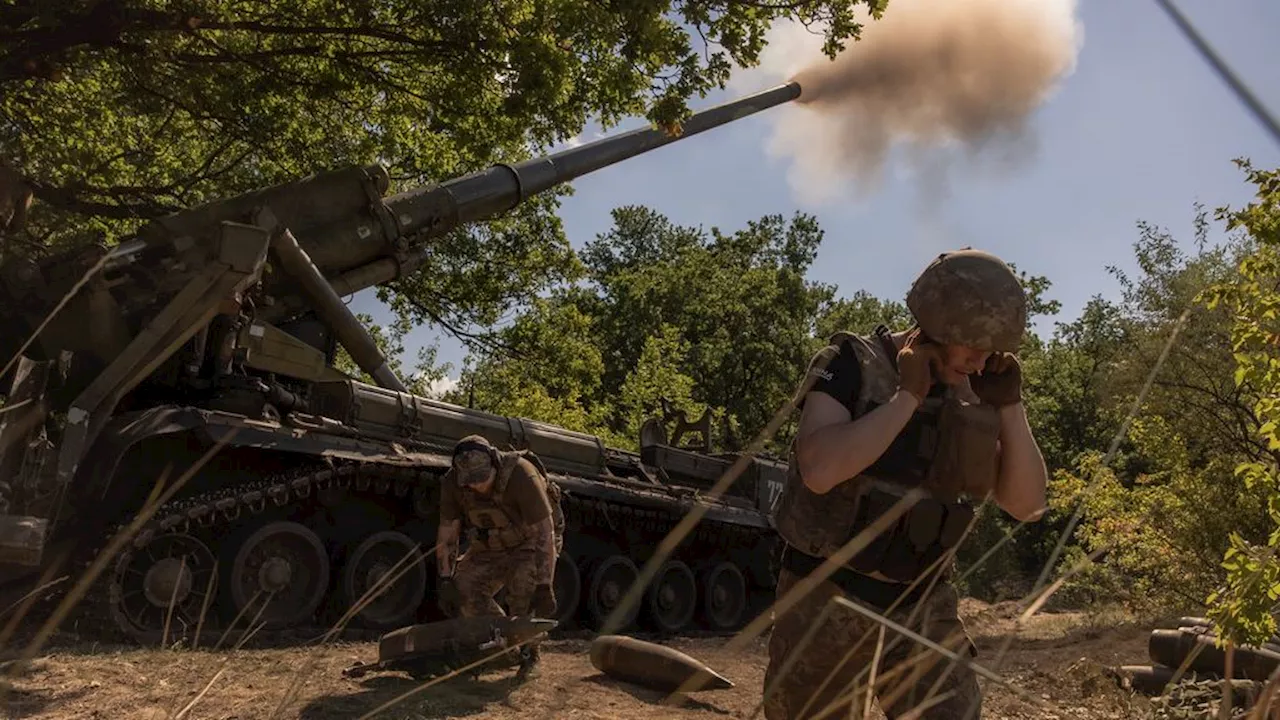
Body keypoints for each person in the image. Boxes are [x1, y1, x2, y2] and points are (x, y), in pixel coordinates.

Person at [763, 248, 1049, 720]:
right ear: (936, 323)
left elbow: (1028, 506)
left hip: (923, 609)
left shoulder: (976, 392)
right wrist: (907, 398)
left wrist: (1010, 409)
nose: (980, 362)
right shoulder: (853, 361)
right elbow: (819, 470)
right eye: (972, 345)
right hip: (826, 603)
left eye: (992, 351)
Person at [435, 434, 564, 674]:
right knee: (464, 590)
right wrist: (445, 578)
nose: (477, 485)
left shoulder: (521, 475)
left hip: (531, 543)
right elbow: (448, 534)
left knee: (524, 591)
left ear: (494, 462)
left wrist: (545, 585)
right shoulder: (453, 483)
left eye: (482, 478)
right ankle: (502, 651)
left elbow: (545, 533)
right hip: (490, 544)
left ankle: (530, 655)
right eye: (470, 481)